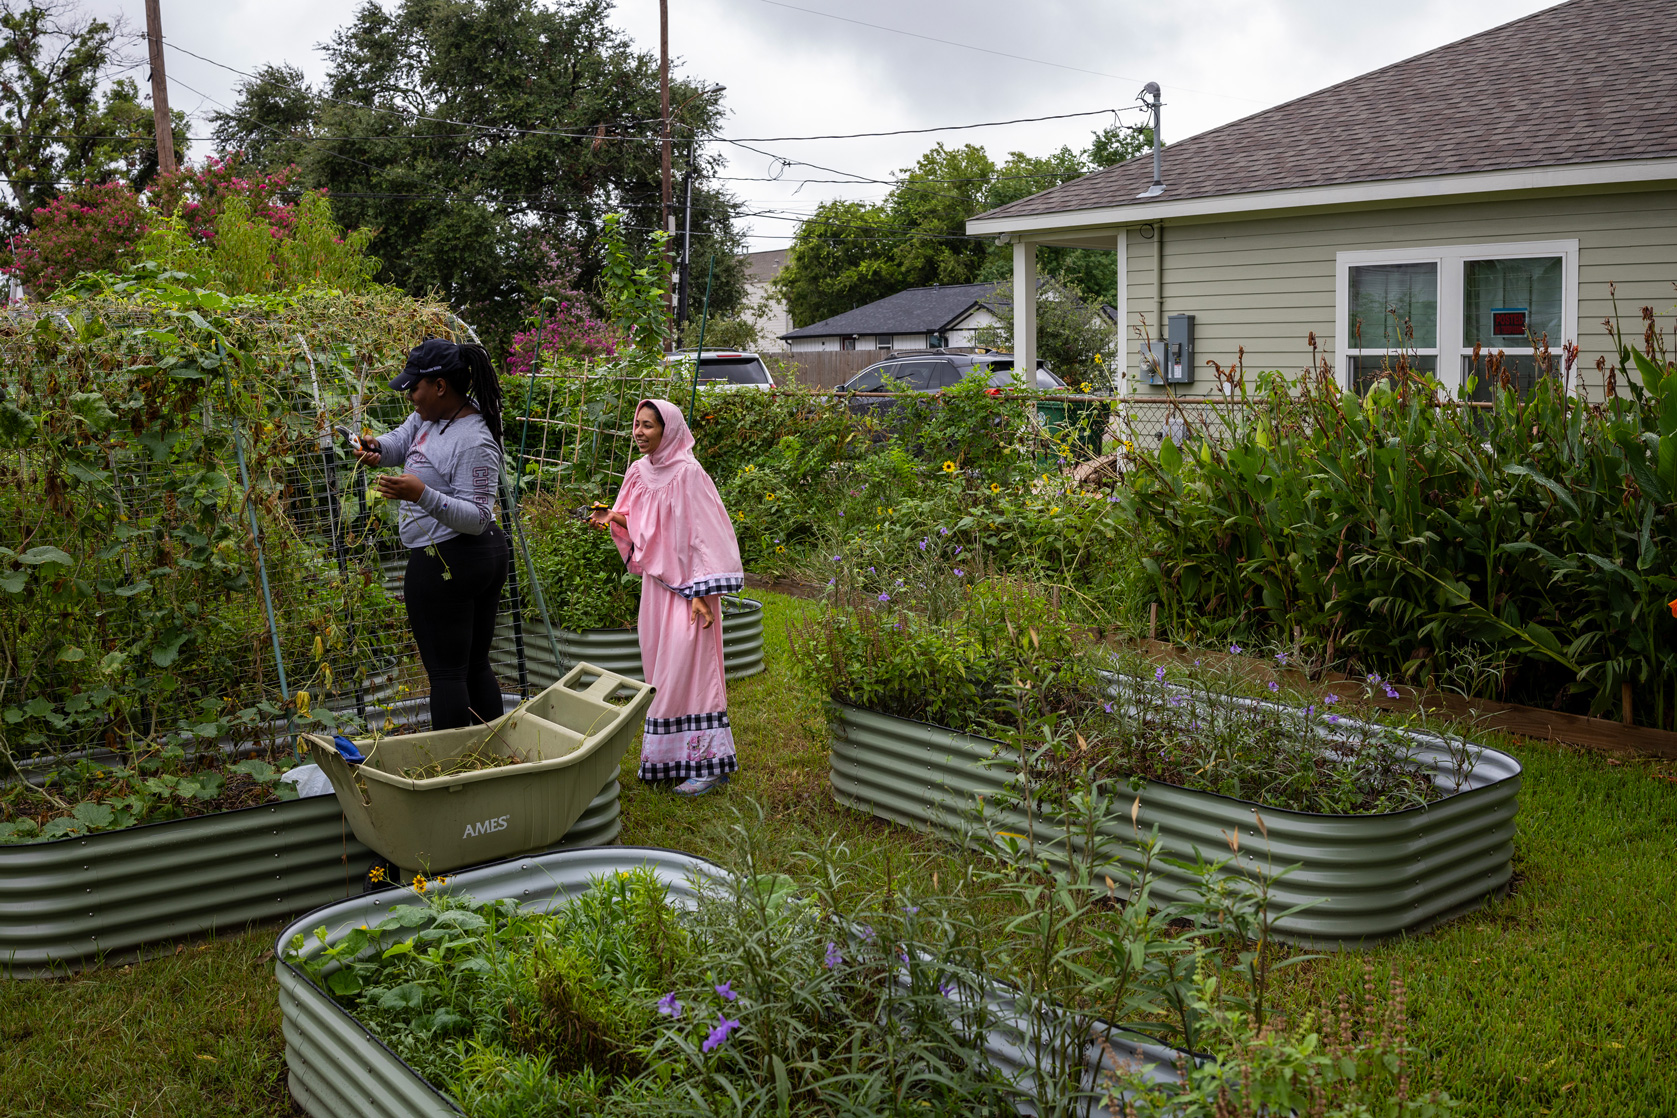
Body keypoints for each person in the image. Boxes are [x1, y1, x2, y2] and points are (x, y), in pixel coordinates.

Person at [351, 338, 509, 731]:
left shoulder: (474, 439)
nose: (410, 396)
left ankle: (454, 772)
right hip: (465, 557)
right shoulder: (430, 417)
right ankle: (494, 759)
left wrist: (419, 493)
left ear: (440, 386)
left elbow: (476, 516)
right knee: (471, 665)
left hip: (454, 559)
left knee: (447, 674)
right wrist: (375, 447)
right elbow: (399, 442)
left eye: (414, 387)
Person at [591, 399, 743, 795]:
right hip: (657, 591)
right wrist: (614, 517)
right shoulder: (638, 473)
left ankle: (709, 765)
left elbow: (706, 535)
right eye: (636, 425)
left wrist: (701, 591)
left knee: (692, 673)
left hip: (692, 593)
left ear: (668, 429)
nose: (639, 432)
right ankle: (673, 758)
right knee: (661, 674)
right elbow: (642, 523)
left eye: (647, 426)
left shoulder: (690, 474)